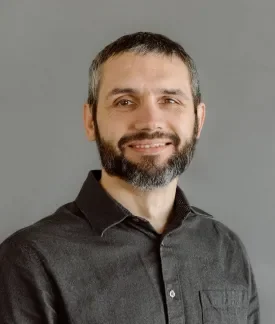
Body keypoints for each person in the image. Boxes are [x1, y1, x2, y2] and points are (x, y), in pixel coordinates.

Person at [0, 32, 260, 323]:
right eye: (124, 101)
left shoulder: (226, 249)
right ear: (90, 121)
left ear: (198, 120)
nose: (150, 121)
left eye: (170, 99)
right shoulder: (30, 260)